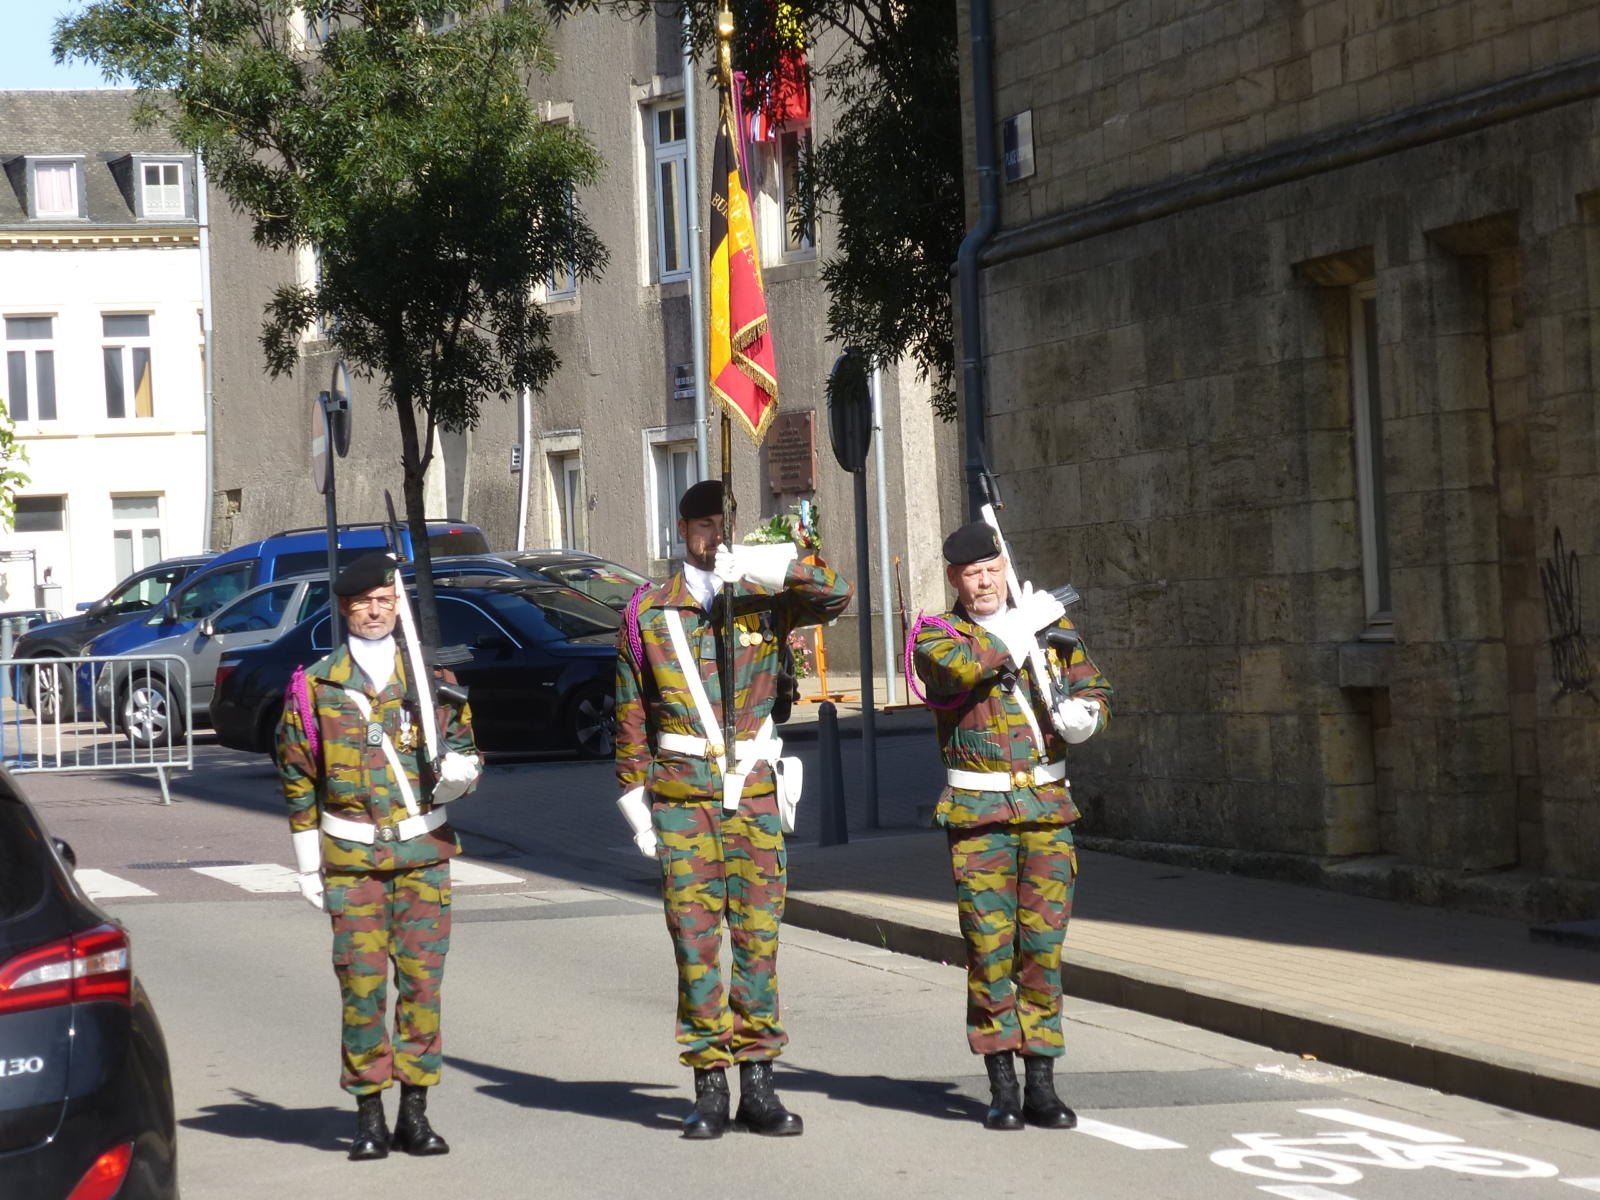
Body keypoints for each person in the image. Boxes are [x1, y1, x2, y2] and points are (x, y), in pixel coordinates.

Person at [613, 479, 852, 1139]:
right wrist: (636, 802)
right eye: (703, 526)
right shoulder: (648, 612)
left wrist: (765, 565)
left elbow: (835, 594)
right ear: (682, 531)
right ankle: (709, 1086)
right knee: (695, 942)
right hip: (683, 799)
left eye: (723, 524)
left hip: (753, 794)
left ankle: (760, 1085)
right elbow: (630, 715)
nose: (714, 536)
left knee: (758, 940)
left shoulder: (762, 596)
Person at [276, 551, 482, 1161]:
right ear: (345, 607)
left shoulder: (432, 680)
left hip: (422, 858)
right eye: (364, 602)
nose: (375, 611)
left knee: (422, 987)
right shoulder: (316, 687)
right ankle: (368, 1116)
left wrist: (462, 774)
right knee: (362, 990)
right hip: (353, 863)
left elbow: (468, 751)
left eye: (385, 601)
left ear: (398, 606)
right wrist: (307, 863)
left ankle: (414, 1114)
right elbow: (297, 777)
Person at [911, 521, 1112, 1132]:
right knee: (989, 950)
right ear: (954, 579)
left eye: (992, 570)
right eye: (972, 575)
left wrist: (1087, 715)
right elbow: (961, 671)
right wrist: (1019, 628)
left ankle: (1041, 1084)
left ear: (1005, 568)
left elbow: (1095, 685)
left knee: (1042, 951)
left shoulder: (1050, 628)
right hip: (981, 820)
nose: (984, 583)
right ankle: (1001, 1083)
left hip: (1048, 812)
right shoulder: (937, 635)